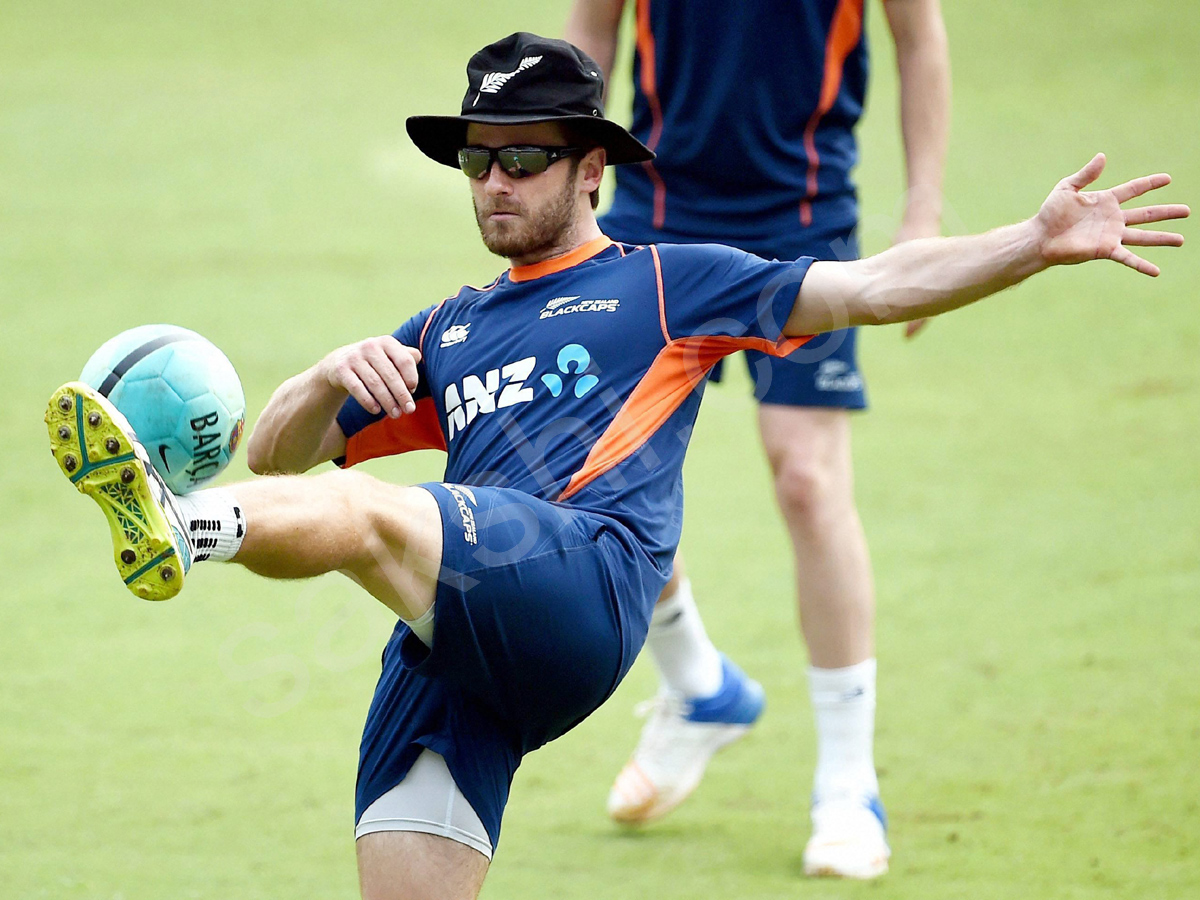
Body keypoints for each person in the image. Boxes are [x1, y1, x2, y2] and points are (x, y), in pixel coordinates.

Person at [45, 32, 1185, 900]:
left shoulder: (666, 282)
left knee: (368, 511)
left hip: (587, 581)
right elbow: (281, 459)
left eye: (526, 157)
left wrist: (1031, 246)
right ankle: (181, 521)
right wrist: (322, 377)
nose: (496, 181)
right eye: (479, 160)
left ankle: (178, 527)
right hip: (471, 637)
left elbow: (869, 288)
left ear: (592, 167)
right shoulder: (445, 327)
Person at [564, 0, 950, 877]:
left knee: (807, 479)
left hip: (802, 215)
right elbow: (592, 25)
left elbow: (919, 36)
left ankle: (848, 785)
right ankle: (698, 684)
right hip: (653, 208)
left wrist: (922, 209)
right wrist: (569, 172)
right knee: (594, 470)